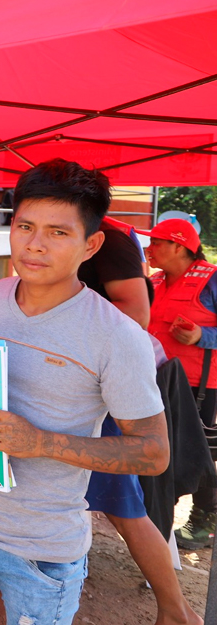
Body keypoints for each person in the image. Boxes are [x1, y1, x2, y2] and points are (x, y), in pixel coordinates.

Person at [0, 159, 170, 625]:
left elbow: (152, 454)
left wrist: (40, 442)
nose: (35, 244)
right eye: (24, 226)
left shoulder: (117, 337)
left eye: (58, 232)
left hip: (42, 553)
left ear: (92, 244)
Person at [80, 219, 201, 625]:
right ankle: (175, 607)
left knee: (125, 503)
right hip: (103, 382)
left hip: (103, 391)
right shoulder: (112, 242)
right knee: (122, 504)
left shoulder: (109, 240)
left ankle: (175, 607)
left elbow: (136, 313)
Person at [145, 218, 217, 550]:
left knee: (198, 451)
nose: (149, 249)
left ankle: (205, 520)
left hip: (198, 385)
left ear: (179, 246)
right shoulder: (153, 281)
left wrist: (202, 335)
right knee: (164, 451)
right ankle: (160, 519)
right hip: (158, 379)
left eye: (157, 242)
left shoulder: (212, 280)